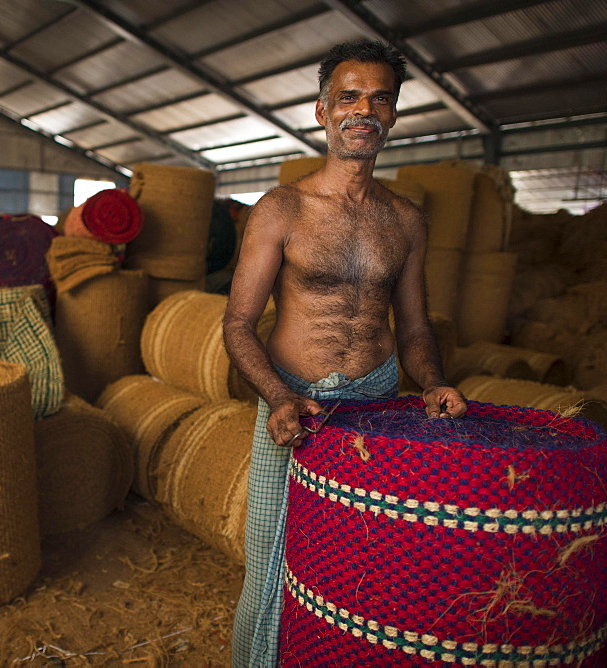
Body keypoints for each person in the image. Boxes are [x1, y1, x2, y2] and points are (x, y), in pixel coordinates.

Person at [223, 38, 467, 667]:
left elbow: (414, 328)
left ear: (393, 115)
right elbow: (239, 322)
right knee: (273, 562)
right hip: (294, 405)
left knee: (359, 567)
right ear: (322, 111)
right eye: (349, 97)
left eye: (379, 98)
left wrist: (434, 383)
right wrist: (278, 397)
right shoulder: (282, 209)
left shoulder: (406, 221)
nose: (365, 110)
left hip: (377, 404)